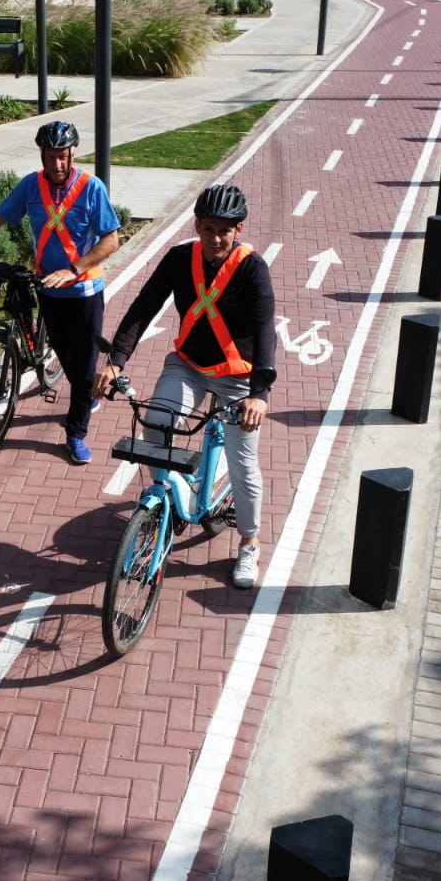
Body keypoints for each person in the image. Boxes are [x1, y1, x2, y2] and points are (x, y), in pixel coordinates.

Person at [93, 183, 277, 590]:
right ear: (197, 225)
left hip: (238, 377)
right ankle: (165, 503)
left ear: (238, 229)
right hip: (189, 365)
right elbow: (143, 308)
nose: (215, 239)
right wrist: (115, 360)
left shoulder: (252, 269)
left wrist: (259, 396)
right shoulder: (180, 258)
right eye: (208, 229)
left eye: (224, 231)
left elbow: (266, 331)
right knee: (156, 421)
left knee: (243, 461)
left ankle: (249, 541)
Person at [0, 121, 121, 466]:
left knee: (83, 370)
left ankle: (76, 432)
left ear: (73, 154)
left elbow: (111, 239)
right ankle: (85, 394)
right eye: (51, 157)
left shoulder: (91, 188)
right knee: (66, 359)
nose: (58, 165)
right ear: (42, 155)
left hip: (83, 290)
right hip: (48, 290)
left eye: (64, 157)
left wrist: (73, 270)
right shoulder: (31, 186)